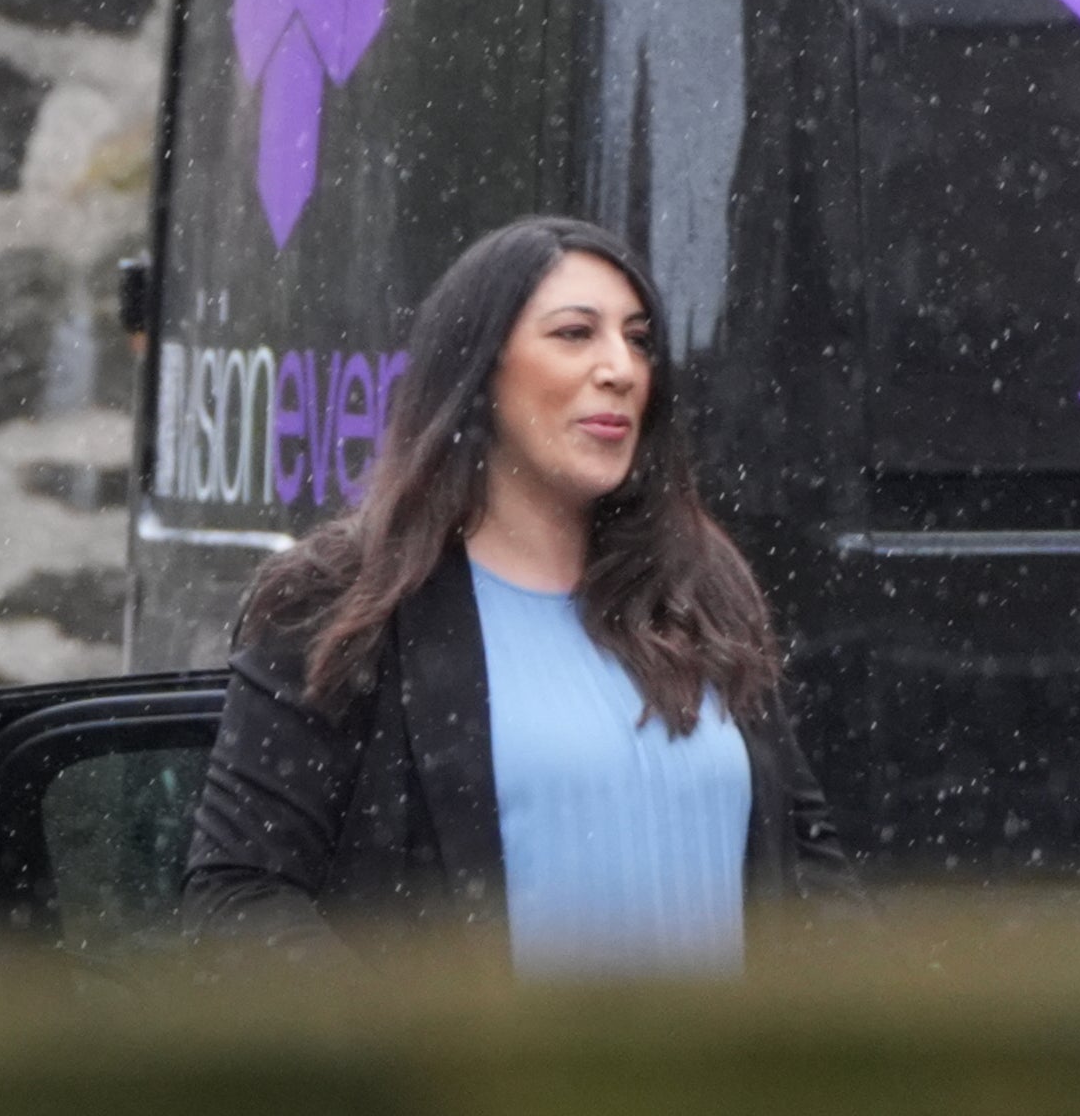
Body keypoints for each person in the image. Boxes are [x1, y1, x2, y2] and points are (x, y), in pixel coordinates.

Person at [181, 216, 852, 975]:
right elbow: (240, 894)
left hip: (727, 1095)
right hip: (486, 1094)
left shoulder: (700, 585)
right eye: (574, 333)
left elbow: (807, 862)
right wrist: (406, 1065)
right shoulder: (345, 602)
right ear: (479, 367)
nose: (620, 368)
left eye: (638, 339)